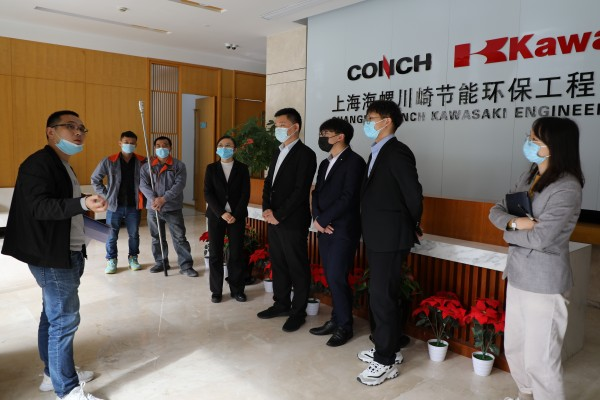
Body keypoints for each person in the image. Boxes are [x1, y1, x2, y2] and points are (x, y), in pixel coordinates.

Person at [1, 110, 107, 399]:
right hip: (52, 255)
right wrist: (82, 203)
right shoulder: (37, 164)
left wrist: (86, 205)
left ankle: (53, 374)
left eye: (82, 128)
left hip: (68, 250)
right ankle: (67, 389)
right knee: (64, 320)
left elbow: (62, 203)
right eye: (70, 126)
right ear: (51, 131)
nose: (78, 132)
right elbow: (39, 207)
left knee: (52, 316)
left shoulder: (62, 164)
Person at [490, 117, 584, 400]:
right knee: (515, 349)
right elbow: (496, 211)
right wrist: (517, 223)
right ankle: (526, 394)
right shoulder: (529, 176)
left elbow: (542, 238)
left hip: (544, 283)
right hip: (518, 275)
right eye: (529, 137)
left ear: (554, 146)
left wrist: (509, 232)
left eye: (534, 140)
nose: (528, 144)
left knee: (541, 360)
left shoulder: (567, 187)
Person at [358, 100, 423, 386]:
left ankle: (384, 361)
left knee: (382, 296)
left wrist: (410, 224)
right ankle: (390, 349)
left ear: (387, 121)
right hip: (378, 234)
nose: (367, 122)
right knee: (382, 294)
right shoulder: (377, 151)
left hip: (390, 235)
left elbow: (413, 194)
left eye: (371, 118)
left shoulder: (397, 151)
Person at [257, 107, 317, 332]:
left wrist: (278, 214)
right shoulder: (278, 151)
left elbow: (301, 191)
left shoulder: (306, 154)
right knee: (279, 262)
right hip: (273, 218)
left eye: (282, 125)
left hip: (292, 220)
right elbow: (268, 183)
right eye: (277, 125)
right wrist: (266, 209)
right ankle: (281, 304)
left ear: (295, 127)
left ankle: (298, 311)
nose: (278, 129)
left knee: (296, 266)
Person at [309, 118, 366, 347]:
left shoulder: (355, 162)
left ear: (340, 136)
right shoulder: (325, 163)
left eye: (326, 134)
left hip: (343, 229)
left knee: (337, 277)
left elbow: (349, 197)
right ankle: (336, 319)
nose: (322, 138)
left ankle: (345, 326)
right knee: (331, 276)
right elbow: (316, 193)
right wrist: (317, 219)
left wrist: (324, 219)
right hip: (324, 228)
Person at [139, 136, 198, 277]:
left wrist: (163, 199)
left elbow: (179, 185)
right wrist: (154, 200)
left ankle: (186, 266)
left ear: (170, 147)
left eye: (165, 145)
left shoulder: (178, 165)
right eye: (158, 145)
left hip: (173, 208)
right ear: (154, 148)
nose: (161, 148)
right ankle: (161, 262)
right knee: (157, 237)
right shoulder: (147, 167)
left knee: (179, 237)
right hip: (153, 208)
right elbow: (143, 185)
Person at [91, 131, 146, 274]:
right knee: (111, 235)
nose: (129, 145)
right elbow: (95, 179)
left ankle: (133, 258)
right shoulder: (109, 160)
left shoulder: (142, 161)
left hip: (134, 205)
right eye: (126, 142)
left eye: (132, 143)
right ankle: (111, 259)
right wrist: (106, 196)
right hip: (114, 205)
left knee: (134, 234)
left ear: (136, 144)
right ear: (120, 143)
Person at [204, 135, 250, 303]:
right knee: (215, 254)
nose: (224, 148)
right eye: (221, 145)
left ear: (234, 149)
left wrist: (235, 214)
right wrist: (222, 213)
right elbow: (208, 193)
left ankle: (237, 290)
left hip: (237, 217)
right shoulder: (211, 168)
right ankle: (216, 291)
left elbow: (245, 194)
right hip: (217, 216)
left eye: (228, 145)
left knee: (236, 254)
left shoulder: (242, 168)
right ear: (217, 149)